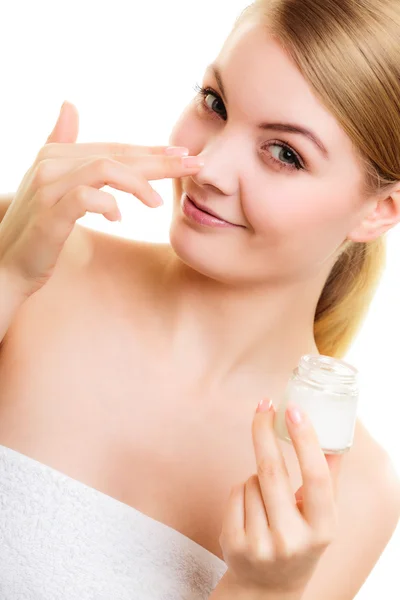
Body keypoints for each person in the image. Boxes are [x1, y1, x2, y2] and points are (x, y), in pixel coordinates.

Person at [0, 0, 399, 598]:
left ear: (379, 210)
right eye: (215, 104)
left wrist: (262, 590)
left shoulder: (349, 491)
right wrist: (6, 277)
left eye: (285, 153)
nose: (209, 166)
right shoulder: (32, 261)